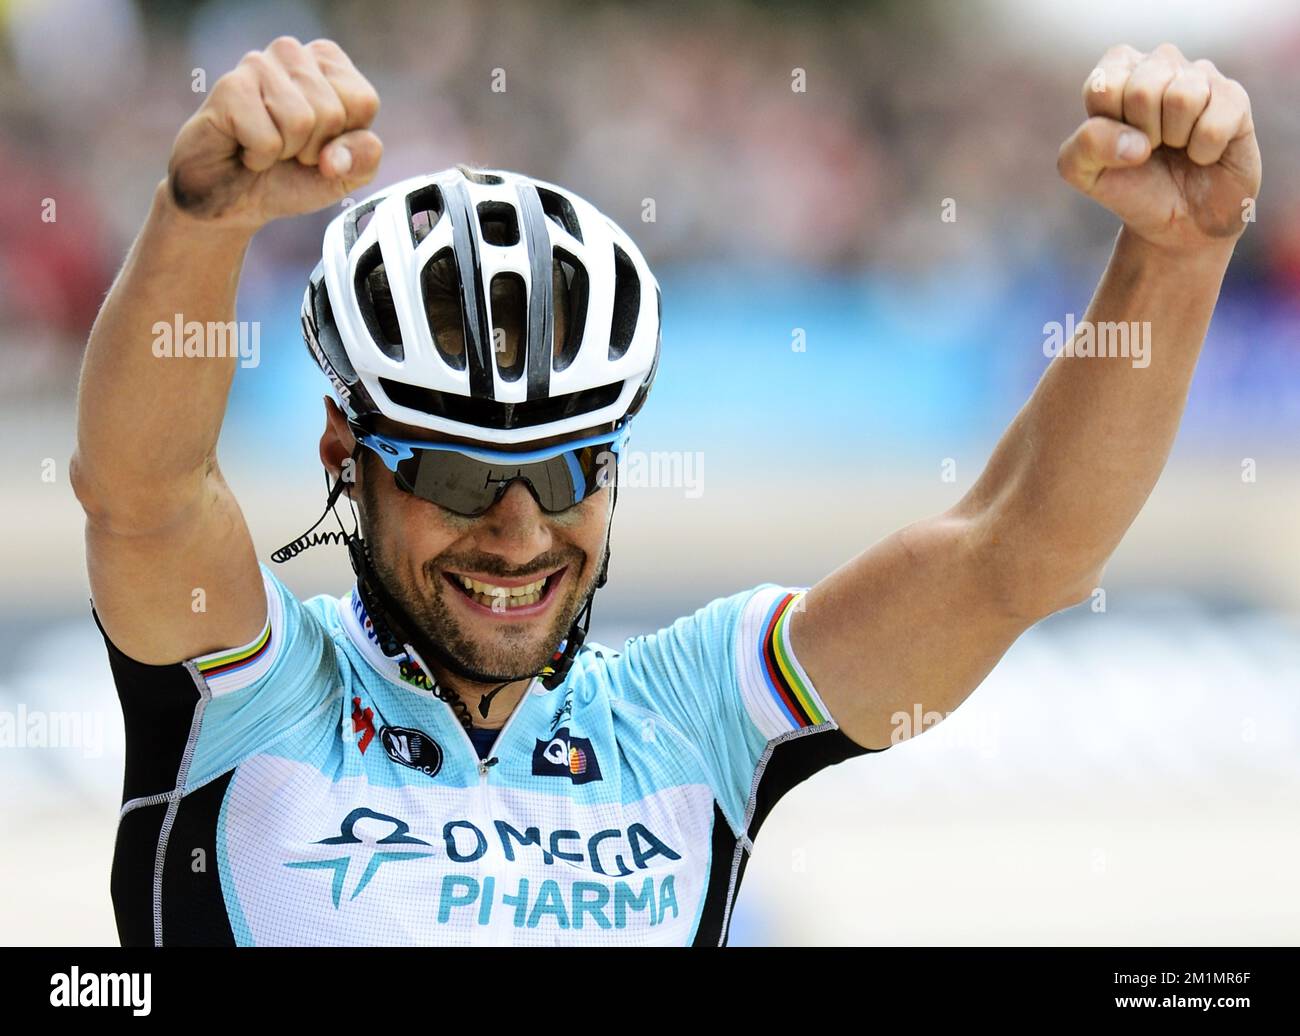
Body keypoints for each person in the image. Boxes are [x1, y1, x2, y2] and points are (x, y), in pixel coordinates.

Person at [73, 37, 1260, 946]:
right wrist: (199, 224)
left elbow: (1016, 556)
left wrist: (1176, 255)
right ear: (345, 455)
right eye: (459, 472)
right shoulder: (255, 694)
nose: (519, 530)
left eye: (564, 466)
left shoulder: (686, 715)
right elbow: (142, 492)